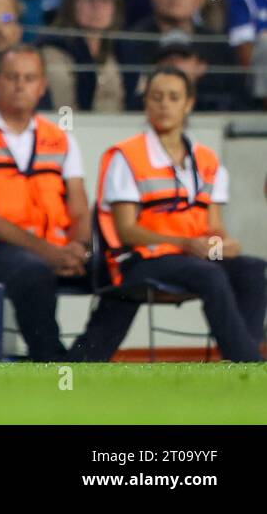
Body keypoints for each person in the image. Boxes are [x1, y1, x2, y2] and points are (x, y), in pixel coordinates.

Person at [0, 44, 137, 362]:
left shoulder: (60, 137)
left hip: (57, 248)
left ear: (42, 86)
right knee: (34, 271)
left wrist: (79, 248)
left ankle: (83, 362)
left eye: (29, 78)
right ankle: (49, 360)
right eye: (12, 76)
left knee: (130, 273)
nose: (20, 85)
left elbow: (79, 208)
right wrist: (51, 254)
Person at [97, 67, 266, 362]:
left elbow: (213, 228)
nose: (164, 105)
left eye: (173, 97)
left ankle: (240, 362)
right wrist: (185, 244)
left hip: (196, 256)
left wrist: (225, 246)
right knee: (210, 273)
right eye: (156, 97)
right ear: (146, 103)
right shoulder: (128, 155)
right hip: (142, 259)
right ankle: (250, 366)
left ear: (189, 103)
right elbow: (126, 230)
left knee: (252, 269)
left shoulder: (207, 159)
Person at [41, 0, 137, 113]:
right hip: (73, 131)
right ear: (72, 3)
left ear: (115, 7)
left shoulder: (123, 51)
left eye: (105, 0)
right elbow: (63, 112)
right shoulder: (54, 51)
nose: (97, 7)